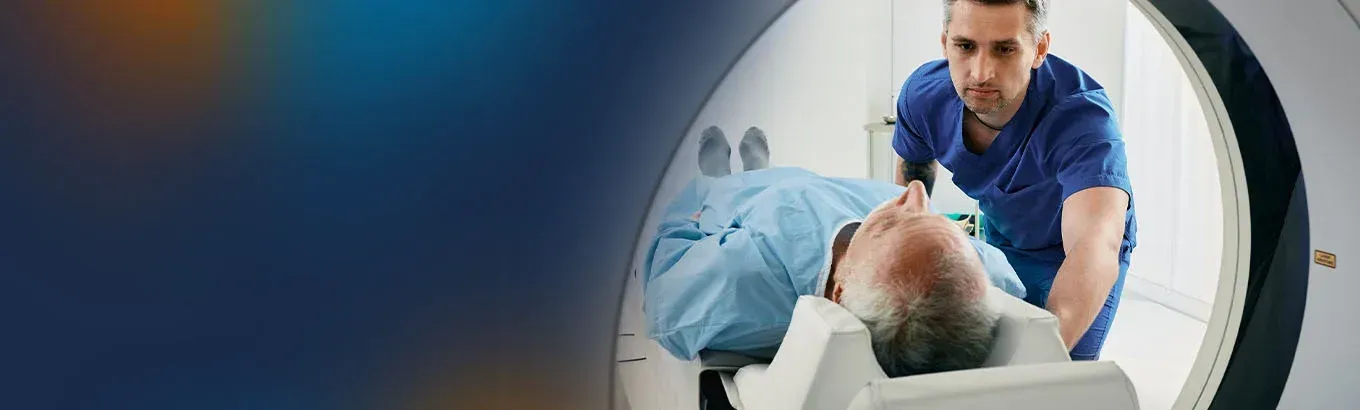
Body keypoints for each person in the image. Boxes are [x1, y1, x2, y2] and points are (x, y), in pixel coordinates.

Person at [641, 126, 1025, 377]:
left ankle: (718, 178)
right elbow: (1008, 281)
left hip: (742, 210)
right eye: (935, 220)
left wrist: (688, 214)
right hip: (817, 188)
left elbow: (664, 281)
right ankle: (759, 169)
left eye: (893, 223)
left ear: (839, 293)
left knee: (717, 194)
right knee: (783, 178)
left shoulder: (744, 280)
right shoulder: (986, 276)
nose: (917, 192)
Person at [891, 0, 1137, 360]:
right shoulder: (923, 96)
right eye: (965, 46)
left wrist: (1040, 360)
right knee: (976, 352)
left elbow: (1094, 246)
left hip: (1073, 252)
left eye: (1005, 49)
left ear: (1039, 49)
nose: (980, 73)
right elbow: (913, 176)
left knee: (1058, 372)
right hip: (1004, 235)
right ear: (945, 42)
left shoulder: (1082, 120)